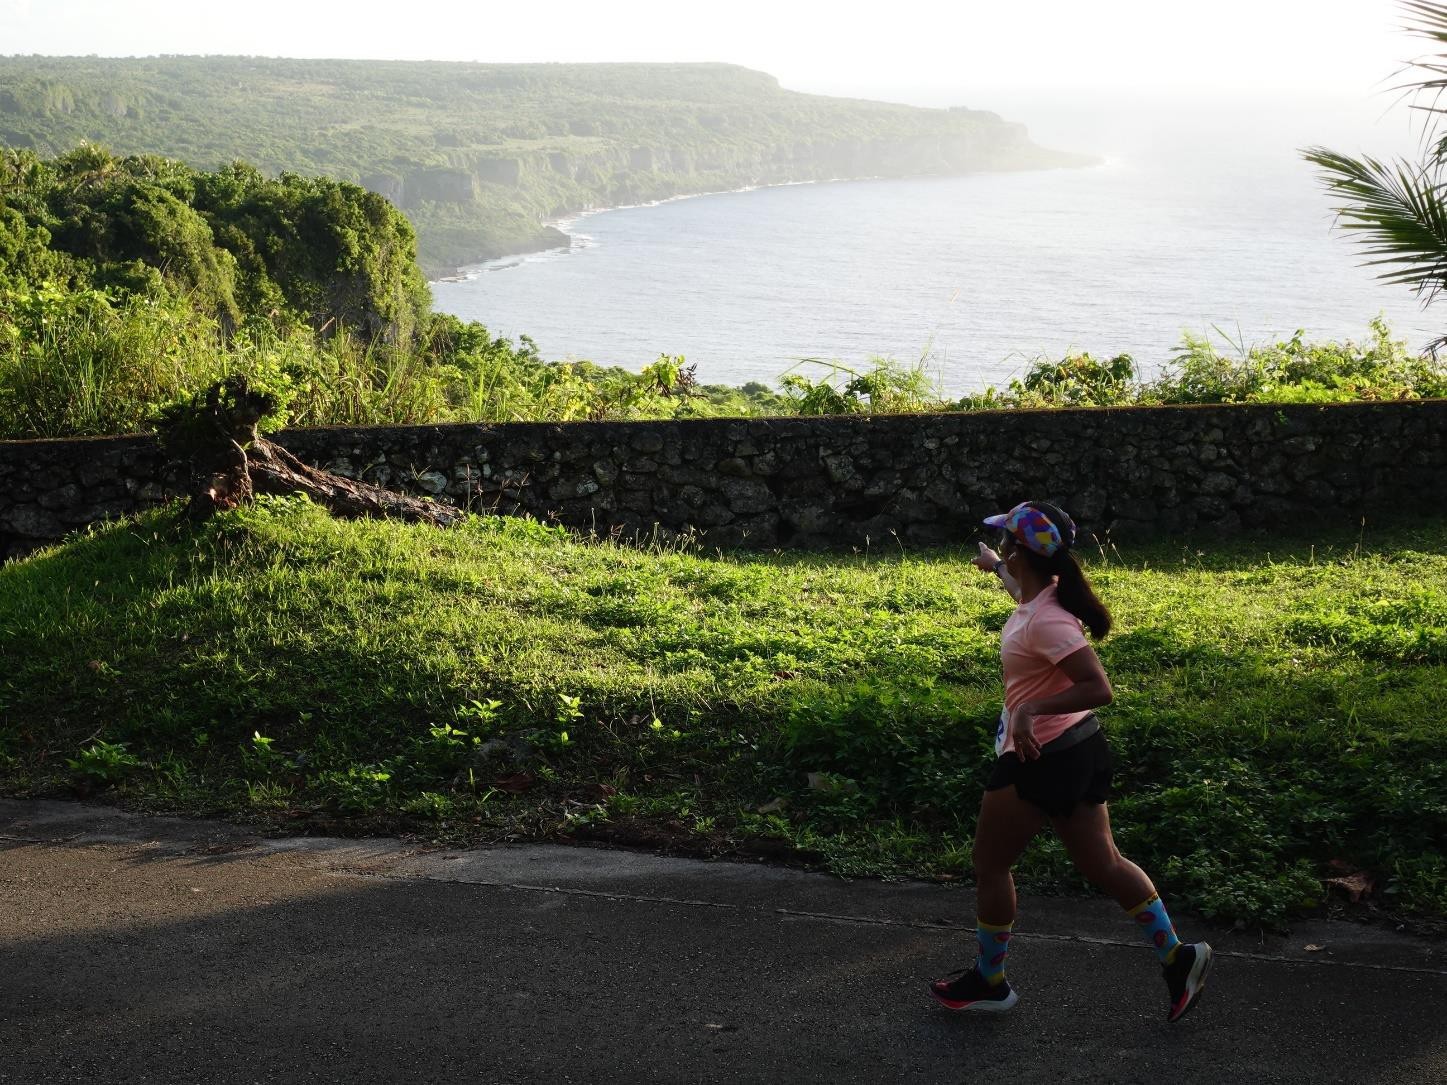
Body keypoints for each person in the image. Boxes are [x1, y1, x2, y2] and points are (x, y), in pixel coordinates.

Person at [928, 500, 1212, 1023]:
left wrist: (1030, 708)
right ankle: (1178, 956)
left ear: (1022, 550)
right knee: (1103, 863)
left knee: (990, 864)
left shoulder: (1048, 621)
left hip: (1039, 757)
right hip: (1078, 749)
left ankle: (990, 980)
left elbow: (1097, 687)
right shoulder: (1042, 596)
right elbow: (1022, 598)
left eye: (1006, 543)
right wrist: (993, 568)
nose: (1003, 550)